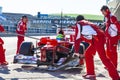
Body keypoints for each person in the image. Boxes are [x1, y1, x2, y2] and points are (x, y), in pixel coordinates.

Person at [74, 15, 120, 80]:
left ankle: (116, 77)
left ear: (77, 20)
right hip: (97, 39)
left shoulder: (79, 24)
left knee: (104, 59)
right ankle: (91, 73)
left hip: (97, 39)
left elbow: (77, 38)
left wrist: (76, 51)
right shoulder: (87, 23)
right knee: (88, 54)